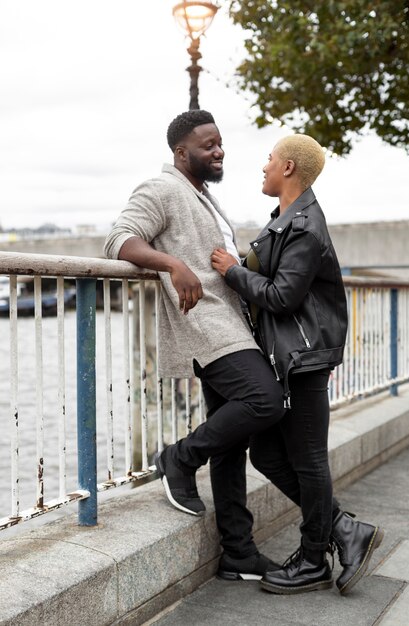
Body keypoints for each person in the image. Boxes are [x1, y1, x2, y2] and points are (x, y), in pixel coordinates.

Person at [104, 109, 287, 581]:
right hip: (206, 326)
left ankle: (238, 552)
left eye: (220, 142)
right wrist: (171, 264)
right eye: (208, 145)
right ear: (181, 152)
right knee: (265, 400)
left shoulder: (203, 197)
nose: (219, 150)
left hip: (232, 323)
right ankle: (179, 458)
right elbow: (118, 240)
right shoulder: (161, 188)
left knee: (232, 441)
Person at [211, 133, 384, 595]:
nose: (263, 167)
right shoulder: (287, 220)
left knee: (308, 459)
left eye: (269, 159)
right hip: (291, 357)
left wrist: (232, 270)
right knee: (267, 453)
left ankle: (313, 560)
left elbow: (283, 297)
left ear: (288, 168)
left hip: (304, 357)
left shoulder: (305, 225)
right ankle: (344, 529)